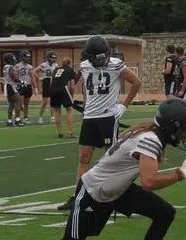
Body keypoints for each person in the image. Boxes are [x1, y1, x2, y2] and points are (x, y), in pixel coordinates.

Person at [8, 98, 186, 240]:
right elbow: (149, 181)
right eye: (183, 129)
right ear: (171, 126)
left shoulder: (150, 134)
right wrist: (180, 174)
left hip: (117, 189)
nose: (184, 134)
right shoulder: (150, 139)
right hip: (94, 192)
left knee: (165, 213)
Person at [57, 36, 142, 210]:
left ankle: (113, 196)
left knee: (111, 159)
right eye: (98, 57)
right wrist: (87, 104)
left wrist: (124, 106)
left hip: (108, 117)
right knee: (83, 158)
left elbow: (136, 82)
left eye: (104, 57)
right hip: (90, 118)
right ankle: (77, 196)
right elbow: (86, 87)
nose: (102, 60)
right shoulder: (85, 65)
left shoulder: (116, 64)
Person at [48, 57, 78, 138]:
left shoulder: (55, 69)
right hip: (63, 88)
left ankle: (60, 133)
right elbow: (72, 86)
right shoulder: (71, 70)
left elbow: (52, 81)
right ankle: (69, 132)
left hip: (52, 88)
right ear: (69, 64)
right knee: (69, 109)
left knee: (57, 110)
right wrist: (72, 95)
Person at [32, 51, 58, 124]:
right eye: (52, 58)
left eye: (54, 58)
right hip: (46, 82)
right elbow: (34, 71)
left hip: (53, 82)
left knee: (53, 101)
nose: (53, 59)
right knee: (44, 102)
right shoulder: (44, 65)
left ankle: (52, 117)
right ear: (48, 58)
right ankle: (40, 117)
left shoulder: (56, 65)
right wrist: (39, 78)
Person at [2, 52, 24, 127]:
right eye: (13, 59)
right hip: (11, 86)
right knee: (19, 102)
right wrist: (21, 81)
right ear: (9, 60)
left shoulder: (5, 67)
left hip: (7, 86)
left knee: (11, 104)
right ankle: (17, 120)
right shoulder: (10, 67)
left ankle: (9, 120)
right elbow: (13, 77)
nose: (14, 60)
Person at [17, 49, 35, 124]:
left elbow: (32, 76)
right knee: (19, 103)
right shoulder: (17, 66)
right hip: (20, 86)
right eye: (26, 57)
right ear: (22, 57)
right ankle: (18, 117)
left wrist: (35, 87)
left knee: (26, 104)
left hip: (28, 85)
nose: (28, 59)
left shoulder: (30, 67)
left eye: (28, 57)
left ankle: (25, 118)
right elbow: (16, 76)